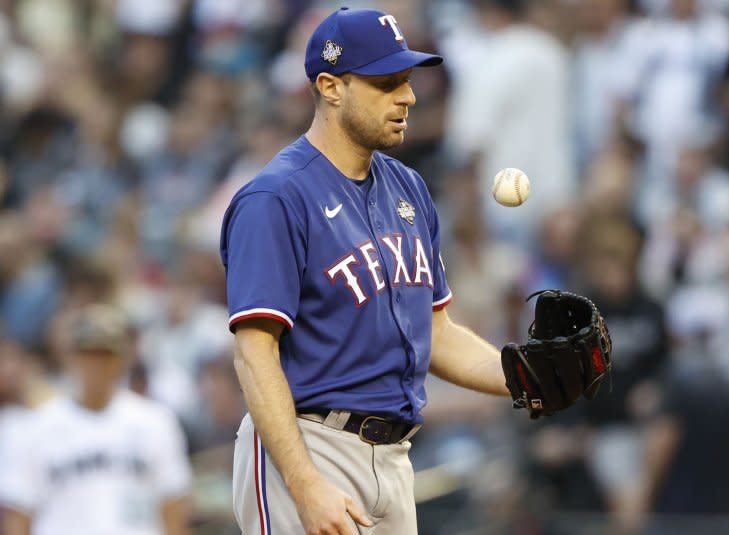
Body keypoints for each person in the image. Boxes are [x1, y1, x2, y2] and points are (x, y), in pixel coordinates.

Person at [219, 7, 509, 535]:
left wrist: (519, 374)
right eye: (387, 82)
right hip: (310, 445)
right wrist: (305, 486)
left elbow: (436, 332)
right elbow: (254, 355)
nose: (408, 97)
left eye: (408, 80)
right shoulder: (276, 199)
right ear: (331, 87)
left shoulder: (409, 188)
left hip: (395, 459)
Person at [0, 304, 192, 535]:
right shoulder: (36, 426)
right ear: (72, 357)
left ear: (122, 359)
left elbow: (174, 504)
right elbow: (19, 512)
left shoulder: (155, 421)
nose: (97, 364)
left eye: (105, 354)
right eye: (89, 354)